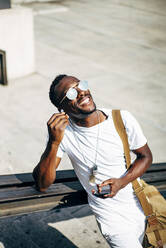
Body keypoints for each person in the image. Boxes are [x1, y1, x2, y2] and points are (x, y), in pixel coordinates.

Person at [33, 74, 153, 248]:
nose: (81, 92)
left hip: (142, 206)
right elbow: (43, 184)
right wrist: (53, 142)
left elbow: (146, 156)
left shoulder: (121, 118)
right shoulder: (63, 134)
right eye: (71, 93)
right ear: (62, 108)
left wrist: (121, 182)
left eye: (81, 85)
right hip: (112, 218)